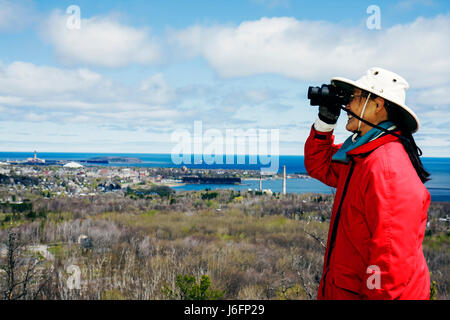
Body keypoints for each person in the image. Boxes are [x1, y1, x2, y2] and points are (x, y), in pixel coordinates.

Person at [304, 67, 431, 300]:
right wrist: (325, 120)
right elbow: (319, 165)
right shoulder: (362, 157)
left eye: (353, 98)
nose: (347, 106)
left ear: (377, 104)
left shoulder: (386, 168)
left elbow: (390, 265)